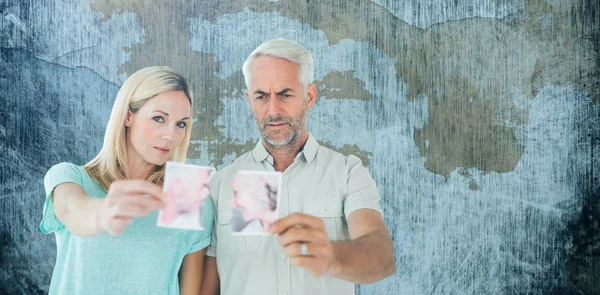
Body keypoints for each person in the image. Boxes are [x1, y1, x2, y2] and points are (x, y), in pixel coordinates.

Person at [200, 39, 395, 295]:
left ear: (309, 96)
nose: (273, 110)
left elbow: (382, 258)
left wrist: (332, 256)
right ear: (249, 100)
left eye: (285, 94)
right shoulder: (219, 184)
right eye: (262, 96)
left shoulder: (347, 173)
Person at [40, 66, 213, 295]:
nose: (170, 135)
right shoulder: (69, 177)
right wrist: (103, 213)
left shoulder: (188, 196)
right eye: (159, 118)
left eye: (181, 124)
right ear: (128, 116)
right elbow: (73, 209)